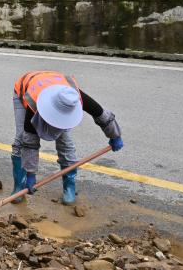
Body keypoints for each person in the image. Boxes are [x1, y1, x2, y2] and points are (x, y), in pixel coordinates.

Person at [11, 71, 123, 205]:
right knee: (20, 140)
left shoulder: (74, 98)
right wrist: (30, 173)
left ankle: (69, 187)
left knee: (65, 142)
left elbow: (102, 115)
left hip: (54, 85)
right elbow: (29, 142)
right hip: (25, 90)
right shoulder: (33, 102)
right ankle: (19, 185)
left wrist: (115, 135)